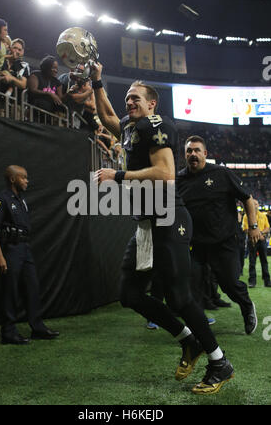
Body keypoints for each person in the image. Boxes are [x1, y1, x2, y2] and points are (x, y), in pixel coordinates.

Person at [91, 62, 234, 395]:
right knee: (129, 293)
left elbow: (166, 173)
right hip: (146, 223)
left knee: (180, 297)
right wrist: (97, 82)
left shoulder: (157, 124)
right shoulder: (130, 126)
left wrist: (120, 175)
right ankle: (189, 342)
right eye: (126, 98)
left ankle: (219, 361)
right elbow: (108, 118)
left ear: (152, 103)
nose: (128, 103)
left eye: (135, 98)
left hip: (168, 217)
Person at [177, 135, 260, 335]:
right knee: (192, 284)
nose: (193, 154)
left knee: (230, 284)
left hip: (224, 242)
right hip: (195, 245)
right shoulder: (179, 179)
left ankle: (247, 306)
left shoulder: (222, 173)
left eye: (197, 150)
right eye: (189, 151)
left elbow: (247, 199)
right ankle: (198, 328)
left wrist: (253, 225)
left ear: (205, 154)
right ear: (185, 155)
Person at [0, 165, 59, 345]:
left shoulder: (21, 200)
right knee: (10, 291)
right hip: (10, 249)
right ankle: (8, 332)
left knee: (32, 287)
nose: (27, 181)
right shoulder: (2, 199)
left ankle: (37, 327)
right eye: (23, 178)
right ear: (13, 179)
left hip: (24, 248)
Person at [0, 38, 30, 118]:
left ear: (22, 52)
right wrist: (1, 75)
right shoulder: (1, 60)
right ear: (9, 48)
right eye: (15, 48)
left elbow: (23, 84)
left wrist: (11, 78)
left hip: (15, 105)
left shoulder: (24, 65)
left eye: (19, 49)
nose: (17, 51)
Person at [242, 199, 271, 287]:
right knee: (252, 261)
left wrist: (261, 233)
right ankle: (252, 281)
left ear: (258, 205)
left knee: (264, 261)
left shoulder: (263, 215)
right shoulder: (246, 216)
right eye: (253, 204)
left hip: (261, 240)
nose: (255, 205)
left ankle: (267, 281)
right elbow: (246, 229)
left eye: (256, 204)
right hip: (252, 241)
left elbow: (267, 227)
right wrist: (259, 235)